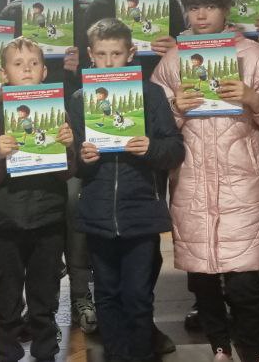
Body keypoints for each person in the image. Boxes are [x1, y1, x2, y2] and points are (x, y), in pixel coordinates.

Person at [153, 0, 259, 362]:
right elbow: (156, 124)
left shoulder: (255, 57)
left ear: (226, 9)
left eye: (210, 6)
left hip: (241, 181)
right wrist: (176, 108)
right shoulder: (172, 61)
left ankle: (254, 351)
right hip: (191, 181)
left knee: (245, 282)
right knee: (202, 279)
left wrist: (254, 99)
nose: (202, 15)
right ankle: (220, 348)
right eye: (194, 7)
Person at [71, 19, 184, 362]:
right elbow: (72, 162)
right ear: (90, 55)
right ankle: (116, 355)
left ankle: (142, 355)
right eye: (101, 54)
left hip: (141, 211)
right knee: (106, 294)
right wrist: (83, 158)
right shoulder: (80, 99)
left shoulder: (151, 94)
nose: (109, 62)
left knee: (137, 295)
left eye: (116, 54)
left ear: (131, 53)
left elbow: (175, 149)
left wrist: (150, 148)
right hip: (98, 212)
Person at [0, 37, 78, 362]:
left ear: (44, 72)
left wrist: (67, 145)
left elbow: (69, 172)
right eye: (18, 64)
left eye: (34, 64)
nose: (26, 69)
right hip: (4, 223)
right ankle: (5, 353)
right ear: (3, 74)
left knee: (45, 293)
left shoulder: (57, 112)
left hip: (48, 220)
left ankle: (46, 352)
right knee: (6, 295)